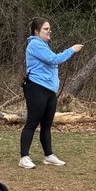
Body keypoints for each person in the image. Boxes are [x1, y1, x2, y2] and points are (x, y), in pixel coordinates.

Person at [20, 17, 83, 169]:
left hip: (49, 91)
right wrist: (72, 50)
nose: (49, 31)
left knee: (46, 125)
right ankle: (24, 157)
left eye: (49, 29)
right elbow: (54, 59)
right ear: (37, 31)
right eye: (46, 29)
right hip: (36, 89)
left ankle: (48, 155)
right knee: (32, 123)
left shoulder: (44, 45)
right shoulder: (35, 44)